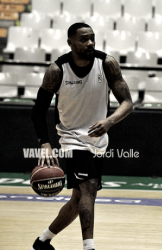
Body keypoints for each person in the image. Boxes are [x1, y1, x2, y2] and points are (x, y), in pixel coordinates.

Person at [30, 23, 133, 250]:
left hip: (98, 137)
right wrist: (45, 143)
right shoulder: (57, 70)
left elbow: (127, 103)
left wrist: (109, 121)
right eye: (84, 39)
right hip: (71, 137)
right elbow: (38, 110)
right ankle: (89, 247)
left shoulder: (107, 63)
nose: (90, 43)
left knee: (78, 199)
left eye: (92, 38)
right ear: (70, 43)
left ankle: (42, 241)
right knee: (89, 186)